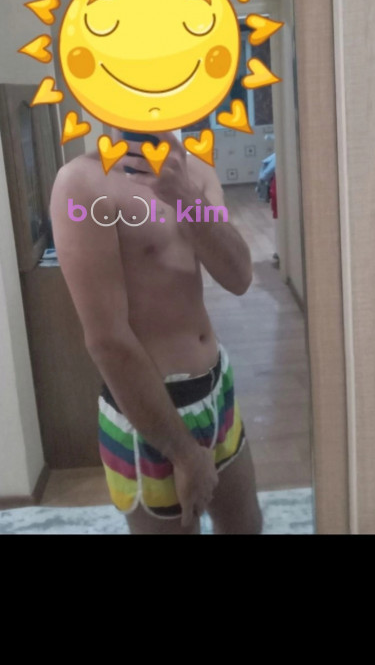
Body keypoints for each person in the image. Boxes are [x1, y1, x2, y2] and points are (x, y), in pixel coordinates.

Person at [50, 128, 263, 535]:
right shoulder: (82, 184)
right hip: (150, 412)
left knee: (246, 524)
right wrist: (183, 453)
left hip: (217, 386)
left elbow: (239, 276)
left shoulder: (195, 171)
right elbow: (107, 340)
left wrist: (186, 197)